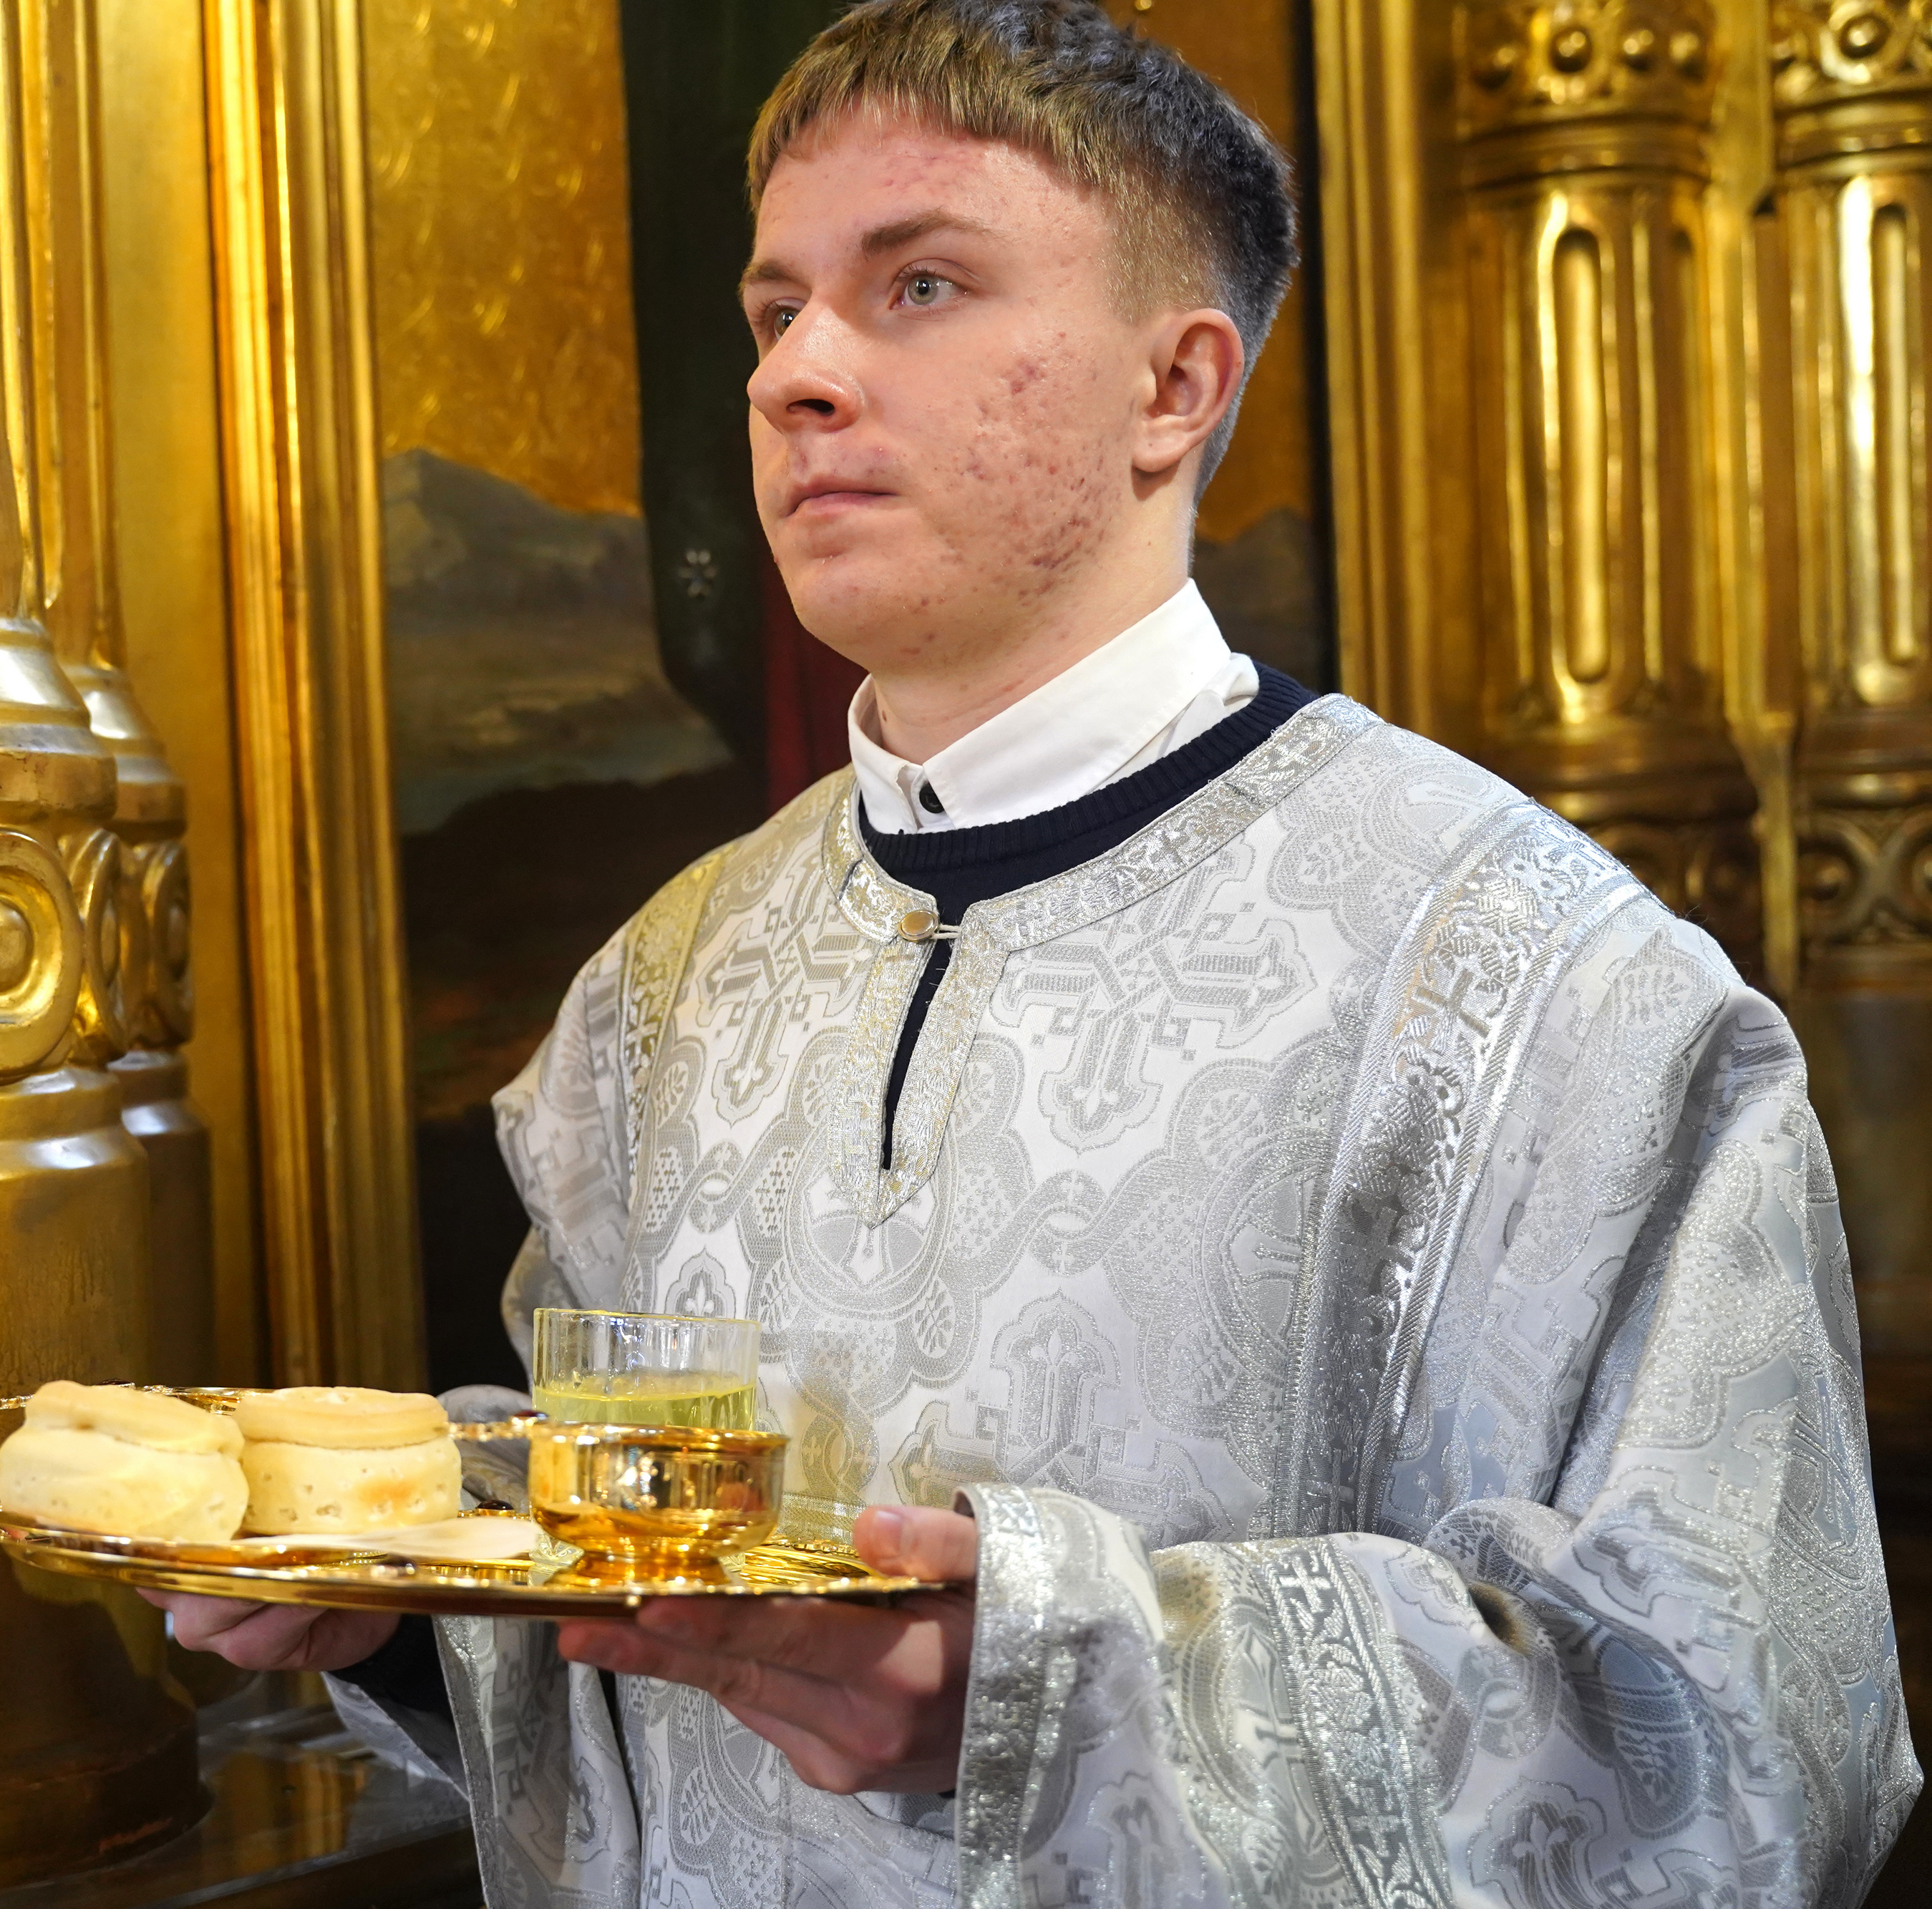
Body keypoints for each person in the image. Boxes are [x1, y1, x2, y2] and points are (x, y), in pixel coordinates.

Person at [145, 1, 1921, 1900]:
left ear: (1176, 386)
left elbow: (1738, 1737)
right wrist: (402, 1601)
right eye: (774, 310)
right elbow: (632, 1615)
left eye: (919, 284)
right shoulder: (653, 999)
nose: (797, 372)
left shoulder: (1555, 999)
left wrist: (1055, 1692)